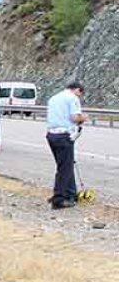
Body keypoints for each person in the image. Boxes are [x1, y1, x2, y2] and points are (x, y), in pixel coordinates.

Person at [46, 82, 87, 210]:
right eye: (80, 94)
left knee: (64, 165)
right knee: (65, 169)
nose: (79, 97)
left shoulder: (54, 98)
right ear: (78, 90)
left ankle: (70, 194)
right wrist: (84, 117)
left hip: (51, 135)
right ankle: (59, 199)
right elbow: (75, 117)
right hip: (64, 135)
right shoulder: (72, 98)